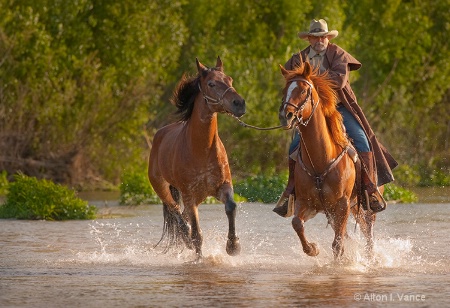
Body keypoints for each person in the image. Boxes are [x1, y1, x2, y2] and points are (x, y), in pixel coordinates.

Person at [273, 19, 398, 216]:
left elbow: (339, 80)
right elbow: (291, 78)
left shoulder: (338, 54)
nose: (319, 40)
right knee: (293, 147)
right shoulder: (299, 58)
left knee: (362, 141)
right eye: (315, 37)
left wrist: (312, 82)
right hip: (312, 111)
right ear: (310, 39)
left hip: (339, 108)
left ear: (327, 37)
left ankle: (369, 188)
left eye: (323, 36)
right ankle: (290, 191)